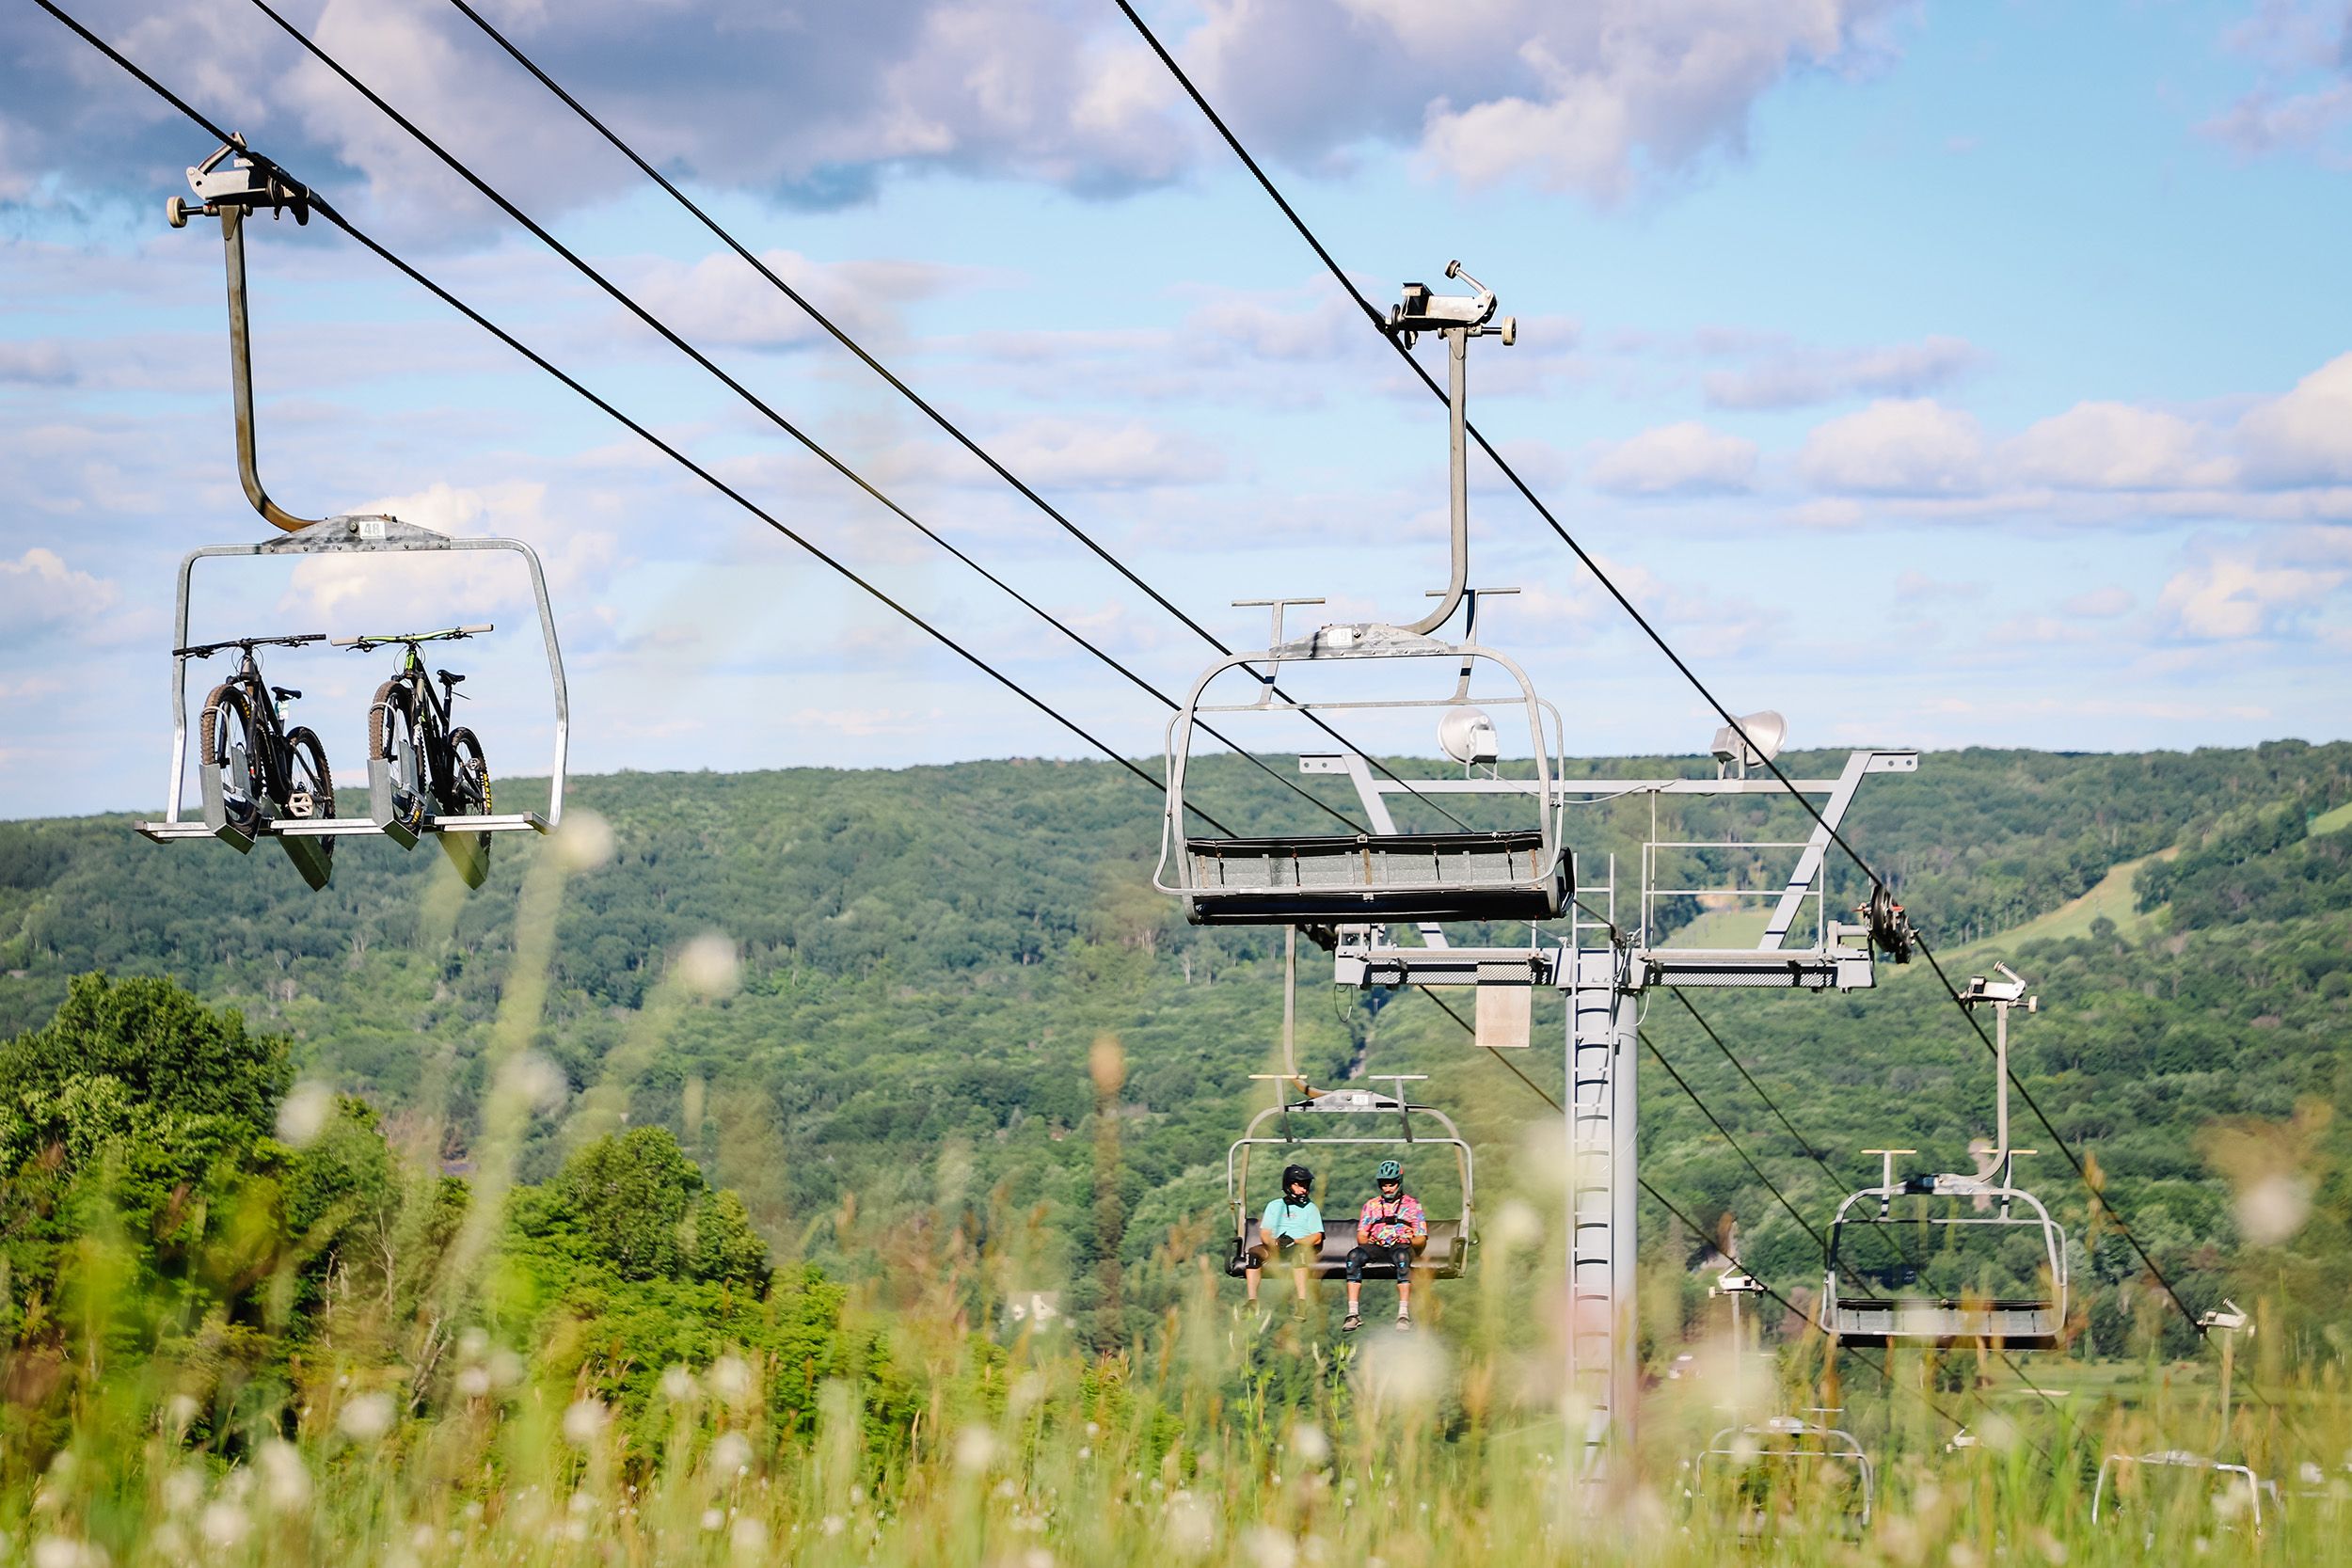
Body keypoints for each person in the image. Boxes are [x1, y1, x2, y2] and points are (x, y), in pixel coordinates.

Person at [1343, 1160, 1426, 1332]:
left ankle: (1403, 1314)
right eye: (1384, 1185)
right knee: (1353, 1257)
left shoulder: (1412, 1205)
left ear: (1399, 1183)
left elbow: (1421, 1238)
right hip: (1377, 1245)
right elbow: (1362, 1234)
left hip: (1401, 1245)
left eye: (1391, 1184)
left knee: (1402, 1258)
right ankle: (1353, 1313)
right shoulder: (1371, 1205)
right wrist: (1371, 1242)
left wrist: (1408, 1239)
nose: (1388, 1189)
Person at [1246, 1164, 1324, 1311]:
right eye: (1300, 1185)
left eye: (1306, 1186)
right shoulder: (1274, 1206)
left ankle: (1301, 1302)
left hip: (1298, 1246)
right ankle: (1252, 1302)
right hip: (1276, 1247)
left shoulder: (1310, 1208)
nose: (1304, 1189)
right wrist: (1274, 1242)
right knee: (1253, 1254)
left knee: (1299, 1255)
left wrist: (1295, 1241)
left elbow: (1317, 1237)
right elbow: (1265, 1233)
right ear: (1289, 1185)